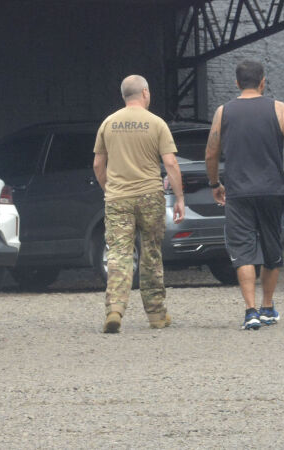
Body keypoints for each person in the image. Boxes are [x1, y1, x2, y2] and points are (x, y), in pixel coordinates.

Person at [205, 60, 284, 330]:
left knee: (243, 251)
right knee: (272, 248)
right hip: (273, 190)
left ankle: (250, 312)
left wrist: (215, 183)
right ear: (263, 82)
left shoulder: (223, 112)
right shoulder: (279, 108)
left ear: (237, 83)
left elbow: (211, 153)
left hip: (238, 193)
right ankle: (267, 307)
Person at [93, 74, 185, 333]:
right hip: (150, 196)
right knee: (151, 252)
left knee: (119, 253)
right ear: (145, 93)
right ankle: (156, 315)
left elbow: (98, 164)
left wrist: (110, 189)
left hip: (118, 198)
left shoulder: (108, 123)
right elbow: (171, 163)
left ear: (124, 95)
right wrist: (179, 198)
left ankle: (115, 310)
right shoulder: (156, 123)